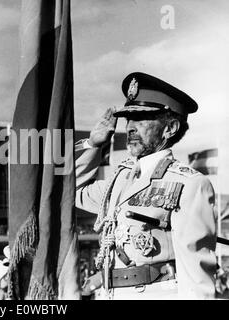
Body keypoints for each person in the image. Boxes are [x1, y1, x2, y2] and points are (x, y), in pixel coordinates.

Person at [76, 72, 217, 299]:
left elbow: (197, 278)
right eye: (128, 120)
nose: (130, 127)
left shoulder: (189, 184)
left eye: (141, 119)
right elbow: (71, 191)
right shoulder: (118, 181)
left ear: (170, 128)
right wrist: (93, 145)